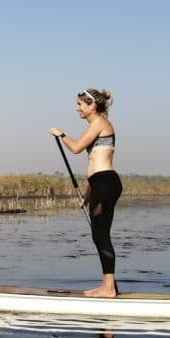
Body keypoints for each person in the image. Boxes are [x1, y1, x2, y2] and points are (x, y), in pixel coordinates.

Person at [50, 89, 121, 297]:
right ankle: (108, 285)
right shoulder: (96, 125)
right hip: (100, 183)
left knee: (101, 234)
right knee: (98, 234)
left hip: (105, 183)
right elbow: (96, 163)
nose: (77, 108)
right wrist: (89, 193)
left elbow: (77, 148)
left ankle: (108, 288)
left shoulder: (99, 122)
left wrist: (61, 134)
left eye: (80, 104)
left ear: (92, 106)